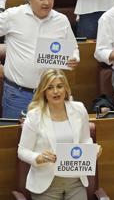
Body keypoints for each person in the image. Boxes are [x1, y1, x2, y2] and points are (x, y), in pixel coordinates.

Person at [0, 0, 79, 119]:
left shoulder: (61, 20)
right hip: (18, 95)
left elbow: (74, 48)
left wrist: (75, 58)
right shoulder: (13, 15)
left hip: (50, 95)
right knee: (16, 139)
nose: (47, 2)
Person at [18, 69, 101, 200]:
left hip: (75, 182)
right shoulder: (34, 116)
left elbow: (85, 140)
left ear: (66, 89)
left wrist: (93, 150)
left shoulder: (79, 109)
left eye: (59, 86)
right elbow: (22, 151)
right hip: (46, 185)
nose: (56, 91)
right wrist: (39, 157)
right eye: (50, 87)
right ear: (44, 92)